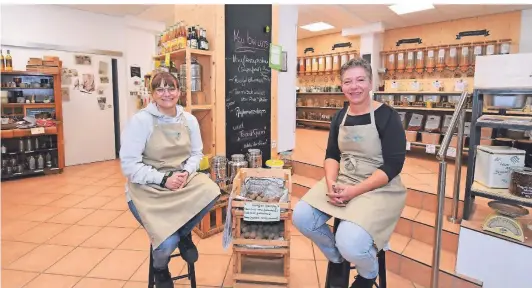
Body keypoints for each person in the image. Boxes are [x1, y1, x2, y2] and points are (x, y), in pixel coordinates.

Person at [292, 58, 407, 288]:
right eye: (348, 81)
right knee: (302, 216)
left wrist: (355, 191)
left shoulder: (388, 116)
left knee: (350, 241)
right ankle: (337, 257)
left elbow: (394, 165)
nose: (354, 86)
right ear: (341, 86)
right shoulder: (339, 117)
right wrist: (331, 182)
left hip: (379, 186)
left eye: (360, 80)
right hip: (345, 179)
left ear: (371, 82)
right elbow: (332, 154)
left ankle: (368, 272)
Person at [119, 71, 220, 288]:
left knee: (212, 191)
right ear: (152, 94)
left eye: (171, 88)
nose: (166, 93)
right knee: (166, 244)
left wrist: (185, 173)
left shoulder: (189, 120)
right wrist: (164, 179)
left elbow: (196, 153)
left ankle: (183, 234)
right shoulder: (140, 122)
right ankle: (160, 268)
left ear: (179, 91)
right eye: (160, 89)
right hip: (148, 188)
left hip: (181, 180)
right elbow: (129, 166)